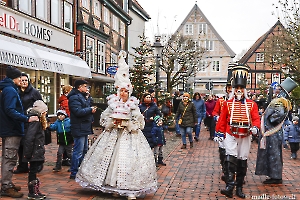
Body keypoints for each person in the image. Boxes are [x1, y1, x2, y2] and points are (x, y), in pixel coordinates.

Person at [75, 51, 157, 200]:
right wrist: (112, 123)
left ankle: (130, 188)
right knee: (110, 159)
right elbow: (103, 119)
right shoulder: (112, 104)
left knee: (128, 161)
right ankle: (113, 186)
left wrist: (129, 124)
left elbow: (140, 123)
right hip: (113, 135)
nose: (123, 93)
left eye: (126, 91)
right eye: (121, 91)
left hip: (130, 137)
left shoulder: (134, 106)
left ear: (129, 92)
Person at [217, 65, 260, 198]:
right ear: (234, 90)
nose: (239, 91)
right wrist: (219, 133)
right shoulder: (228, 104)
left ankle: (239, 187)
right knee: (230, 159)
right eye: (237, 89)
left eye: (241, 88)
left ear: (244, 90)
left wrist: (255, 128)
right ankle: (230, 186)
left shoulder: (252, 104)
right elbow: (222, 120)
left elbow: (256, 118)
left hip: (245, 135)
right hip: (231, 134)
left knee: (242, 160)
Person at [0, 66, 39, 198]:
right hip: (12, 129)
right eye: (18, 78)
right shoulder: (10, 90)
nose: (21, 80)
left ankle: (7, 183)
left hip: (10, 128)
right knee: (10, 158)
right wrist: (26, 119)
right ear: (14, 78)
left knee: (8, 157)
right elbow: (10, 110)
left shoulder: (8, 89)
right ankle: (6, 186)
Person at [255, 77, 298, 184]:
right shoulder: (282, 100)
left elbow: (278, 114)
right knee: (273, 153)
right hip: (274, 132)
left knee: (274, 154)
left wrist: (269, 120)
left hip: (273, 131)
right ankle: (274, 175)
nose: (276, 89)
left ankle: (275, 176)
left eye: (279, 88)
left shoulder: (280, 101)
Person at [14, 73, 43, 174]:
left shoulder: (34, 92)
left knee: (33, 142)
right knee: (21, 144)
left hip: (32, 121)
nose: (24, 82)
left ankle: (36, 164)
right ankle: (23, 165)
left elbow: (41, 105)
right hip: (20, 120)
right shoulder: (16, 92)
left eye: (26, 80)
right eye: (22, 80)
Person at [68, 79, 96, 179]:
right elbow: (78, 111)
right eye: (85, 86)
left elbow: (87, 104)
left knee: (84, 149)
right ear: (79, 87)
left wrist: (88, 98)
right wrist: (90, 110)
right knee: (78, 150)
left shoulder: (83, 96)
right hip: (79, 126)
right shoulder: (74, 98)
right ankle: (74, 171)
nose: (87, 88)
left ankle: (81, 170)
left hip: (84, 126)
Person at [23, 100, 48, 199]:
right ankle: (32, 192)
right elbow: (30, 137)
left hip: (36, 150)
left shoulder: (38, 121)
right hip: (34, 151)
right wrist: (28, 153)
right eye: (45, 112)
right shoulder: (35, 121)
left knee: (35, 171)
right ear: (41, 112)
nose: (46, 113)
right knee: (33, 171)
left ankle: (35, 190)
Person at [213, 64, 233, 182]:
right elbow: (215, 112)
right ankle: (226, 171)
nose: (230, 90)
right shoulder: (221, 101)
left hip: (233, 129)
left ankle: (234, 172)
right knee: (223, 151)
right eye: (228, 88)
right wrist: (217, 117)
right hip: (222, 129)